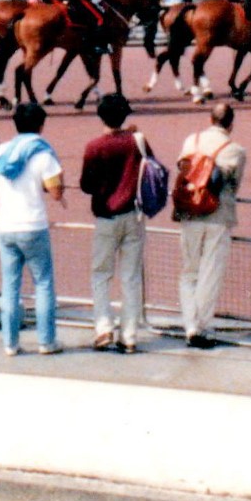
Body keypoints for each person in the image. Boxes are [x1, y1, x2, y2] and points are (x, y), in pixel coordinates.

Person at [0, 102, 63, 357]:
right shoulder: (43, 154)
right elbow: (56, 191)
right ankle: (46, 341)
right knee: (43, 283)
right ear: (40, 125)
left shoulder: (0, 153)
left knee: (10, 285)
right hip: (33, 225)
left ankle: (10, 343)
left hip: (5, 225)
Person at [77, 92, 148, 353]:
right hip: (134, 214)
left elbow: (86, 185)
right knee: (130, 277)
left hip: (107, 215)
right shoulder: (137, 141)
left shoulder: (95, 146)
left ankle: (103, 327)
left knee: (101, 274)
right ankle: (129, 335)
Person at [176, 102, 247, 349]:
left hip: (189, 214)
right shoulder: (235, 150)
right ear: (230, 124)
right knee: (210, 272)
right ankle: (203, 326)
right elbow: (234, 186)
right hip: (218, 215)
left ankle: (190, 324)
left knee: (189, 271)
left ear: (210, 119)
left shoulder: (190, 142)